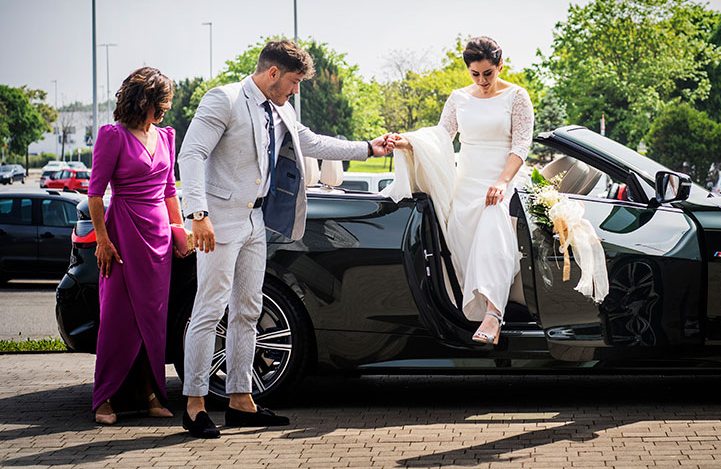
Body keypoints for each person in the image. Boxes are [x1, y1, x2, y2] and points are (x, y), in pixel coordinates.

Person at [178, 38, 393, 439]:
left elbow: (310, 142)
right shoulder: (222, 99)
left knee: (248, 309)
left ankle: (241, 400)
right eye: (293, 81)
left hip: (255, 221)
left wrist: (367, 147)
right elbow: (190, 156)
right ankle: (195, 405)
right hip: (219, 219)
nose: (295, 90)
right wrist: (198, 215)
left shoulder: (281, 107)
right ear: (273, 73)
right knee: (209, 309)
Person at [391, 36, 534, 344]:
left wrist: (502, 181)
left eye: (488, 73)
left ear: (499, 66)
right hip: (467, 181)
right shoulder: (458, 98)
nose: (482, 80)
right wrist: (408, 142)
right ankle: (472, 311)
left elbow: (522, 144)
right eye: (475, 74)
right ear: (468, 70)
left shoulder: (517, 96)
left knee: (494, 220)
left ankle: (494, 315)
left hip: (504, 179)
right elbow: (442, 136)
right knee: (459, 232)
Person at [88, 67, 183, 425]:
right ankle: (105, 399)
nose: (165, 110)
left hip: (158, 238)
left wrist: (179, 229)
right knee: (117, 319)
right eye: (161, 104)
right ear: (144, 101)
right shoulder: (112, 136)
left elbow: (169, 189)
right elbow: (95, 194)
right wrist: (103, 240)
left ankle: (150, 394)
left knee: (153, 321)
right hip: (123, 234)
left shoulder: (166, 136)